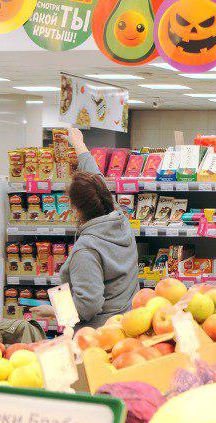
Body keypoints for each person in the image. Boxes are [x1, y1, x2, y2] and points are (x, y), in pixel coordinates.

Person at [33, 128, 139, 329]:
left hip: (98, 335)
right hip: (128, 325)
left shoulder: (86, 249)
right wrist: (79, 144)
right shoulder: (120, 220)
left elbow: (88, 306)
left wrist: (54, 310)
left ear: (76, 209)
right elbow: (97, 181)